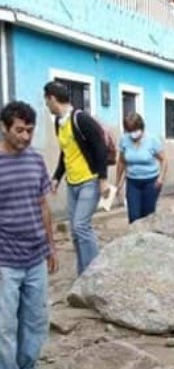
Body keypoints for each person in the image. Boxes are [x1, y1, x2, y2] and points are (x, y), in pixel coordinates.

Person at [0, 101, 58, 369]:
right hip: (5, 259)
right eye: (19, 130)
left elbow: (43, 205)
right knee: (5, 322)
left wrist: (51, 245)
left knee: (35, 318)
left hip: (35, 254)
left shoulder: (35, 160)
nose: (25, 137)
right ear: (4, 128)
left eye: (30, 131)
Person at [43, 81, 109, 276]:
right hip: (72, 183)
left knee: (81, 226)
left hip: (89, 180)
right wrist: (56, 177)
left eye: (46, 100)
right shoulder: (59, 123)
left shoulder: (81, 119)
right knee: (74, 231)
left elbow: (100, 148)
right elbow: (66, 153)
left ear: (53, 99)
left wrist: (103, 179)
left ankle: (96, 273)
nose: (46, 105)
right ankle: (83, 274)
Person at [115, 113, 168, 224]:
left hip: (151, 181)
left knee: (147, 216)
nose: (133, 134)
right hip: (132, 182)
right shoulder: (124, 140)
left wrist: (161, 178)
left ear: (141, 128)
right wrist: (118, 182)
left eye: (134, 130)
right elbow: (121, 162)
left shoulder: (152, 140)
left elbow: (164, 160)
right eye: (129, 131)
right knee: (134, 216)